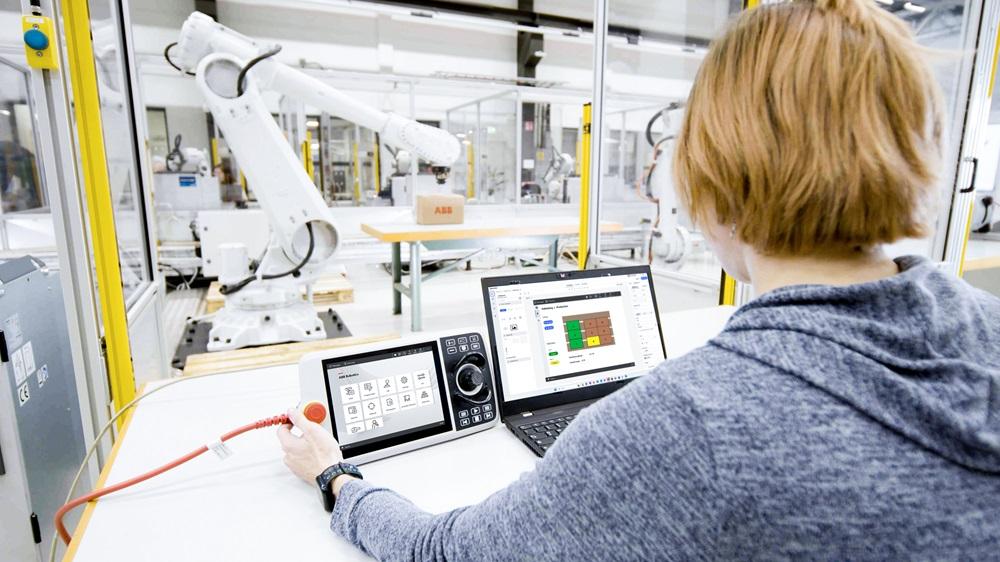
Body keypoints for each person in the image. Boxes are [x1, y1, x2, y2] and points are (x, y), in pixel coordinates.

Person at [278, 0, 1000, 559]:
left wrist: (337, 481)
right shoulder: (987, 327)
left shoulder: (683, 423)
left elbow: (448, 551)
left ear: (713, 178)